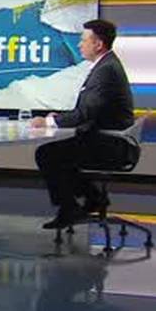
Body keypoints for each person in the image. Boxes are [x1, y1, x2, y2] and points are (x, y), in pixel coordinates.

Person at [31, 19, 137, 230]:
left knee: (47, 154)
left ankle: (70, 207)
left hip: (110, 145)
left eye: (83, 40)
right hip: (109, 140)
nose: (79, 45)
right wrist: (60, 117)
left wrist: (49, 122)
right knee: (58, 152)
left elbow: (86, 113)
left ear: (98, 44)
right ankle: (93, 197)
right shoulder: (106, 65)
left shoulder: (106, 70)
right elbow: (88, 109)